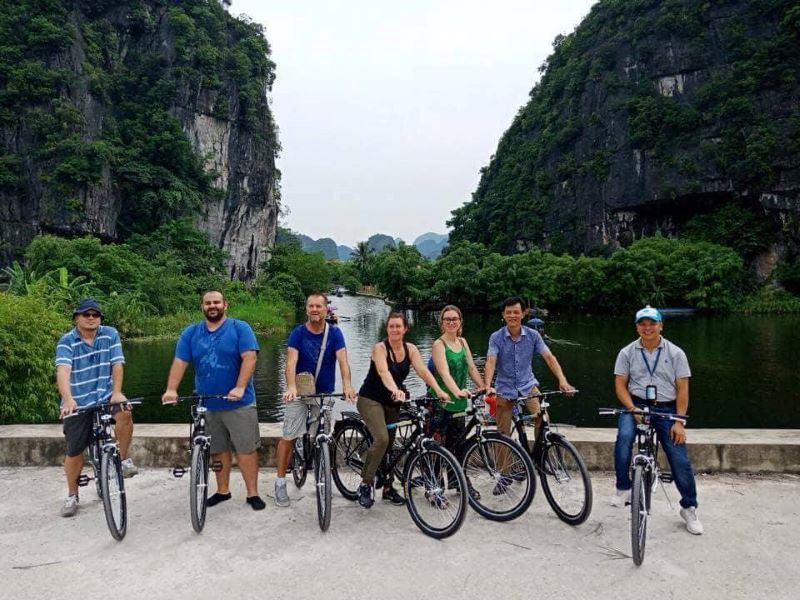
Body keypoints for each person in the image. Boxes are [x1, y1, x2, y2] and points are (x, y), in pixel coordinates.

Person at [161, 291, 264, 511]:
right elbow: (180, 361)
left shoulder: (240, 328)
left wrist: (239, 386)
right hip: (207, 404)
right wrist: (171, 389)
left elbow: (250, 358)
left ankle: (252, 493)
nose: (212, 306)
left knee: (246, 450)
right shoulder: (191, 333)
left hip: (239, 403)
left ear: (225, 304)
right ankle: (223, 491)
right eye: (208, 303)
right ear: (202, 307)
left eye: (216, 302)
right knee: (217, 449)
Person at [611, 305, 703, 535]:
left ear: (661, 325)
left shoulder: (675, 353)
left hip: (667, 407)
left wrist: (679, 421)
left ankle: (689, 507)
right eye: (642, 323)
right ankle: (623, 487)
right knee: (623, 438)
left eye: (652, 323)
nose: (647, 328)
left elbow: (682, 389)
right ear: (637, 327)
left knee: (679, 457)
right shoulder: (627, 352)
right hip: (636, 404)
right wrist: (632, 409)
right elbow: (620, 385)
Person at [356, 311, 451, 508]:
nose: (395, 330)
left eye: (399, 326)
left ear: (405, 328)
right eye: (391, 326)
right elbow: (383, 372)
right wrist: (395, 389)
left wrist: (439, 390)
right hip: (370, 399)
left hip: (393, 402)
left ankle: (389, 488)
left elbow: (423, 371)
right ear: (387, 328)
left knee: (390, 446)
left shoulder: (411, 349)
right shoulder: (379, 348)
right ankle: (365, 484)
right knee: (382, 439)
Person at [56, 298, 137, 517]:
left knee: (125, 411)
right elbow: (63, 371)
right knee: (74, 451)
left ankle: (122, 460)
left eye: (95, 315)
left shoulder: (110, 334)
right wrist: (68, 399)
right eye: (86, 315)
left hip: (105, 395)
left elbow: (117, 364)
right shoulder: (67, 341)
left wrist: (117, 392)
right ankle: (72, 495)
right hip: (78, 400)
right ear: (77, 318)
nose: (91, 318)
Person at [275, 292, 357, 507]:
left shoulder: (335, 334)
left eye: (318, 306)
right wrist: (291, 386)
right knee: (289, 435)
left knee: (323, 436)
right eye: (311, 306)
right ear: (306, 309)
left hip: (323, 394)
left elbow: (343, 361)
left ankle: (322, 478)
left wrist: (347, 385)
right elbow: (291, 362)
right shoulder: (298, 333)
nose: (314, 309)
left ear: (325, 309)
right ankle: (280, 482)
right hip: (300, 392)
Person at [484, 296, 575, 437]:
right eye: (508, 312)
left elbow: (549, 358)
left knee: (543, 419)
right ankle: (503, 459)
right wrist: (488, 385)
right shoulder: (496, 337)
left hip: (527, 384)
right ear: (503, 315)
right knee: (503, 434)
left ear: (523, 313)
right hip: (504, 387)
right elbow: (491, 361)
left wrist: (562, 380)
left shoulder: (533, 335)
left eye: (516, 312)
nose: (512, 315)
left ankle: (538, 455)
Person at [425, 305, 485, 456]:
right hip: (442, 402)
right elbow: (444, 373)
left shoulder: (463, 342)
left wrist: (484, 387)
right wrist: (457, 391)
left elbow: (471, 368)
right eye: (447, 319)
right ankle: (433, 479)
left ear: (460, 321)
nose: (451, 322)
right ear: (442, 322)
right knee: (437, 449)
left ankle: (455, 479)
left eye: (454, 319)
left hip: (459, 403)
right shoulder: (439, 344)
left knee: (457, 447)